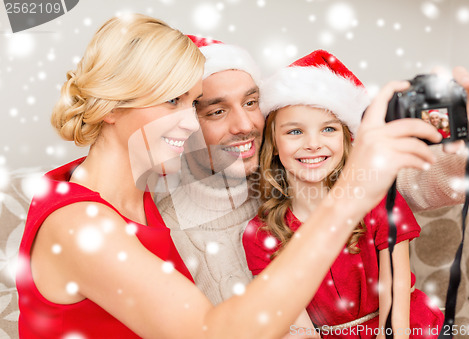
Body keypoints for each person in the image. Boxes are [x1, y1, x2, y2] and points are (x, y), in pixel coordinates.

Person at [15, 14, 440, 338]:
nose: (188, 122)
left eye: (192, 104)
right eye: (172, 103)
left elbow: (410, 188)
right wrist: (345, 200)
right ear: (110, 108)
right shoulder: (77, 225)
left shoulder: (143, 192)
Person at [156, 36, 469, 308]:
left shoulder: (301, 173)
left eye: (250, 103)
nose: (245, 124)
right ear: (184, 122)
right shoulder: (163, 223)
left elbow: (415, 182)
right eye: (216, 111)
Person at [242, 50, 443, 338]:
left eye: (328, 129)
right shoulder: (261, 234)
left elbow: (395, 296)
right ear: (273, 143)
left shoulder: (380, 201)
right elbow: (297, 326)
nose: (313, 144)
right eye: (295, 132)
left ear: (346, 137)